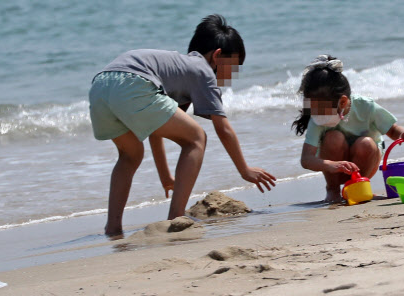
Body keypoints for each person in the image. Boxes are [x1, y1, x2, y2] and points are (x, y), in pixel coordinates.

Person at [89, 14, 276, 236]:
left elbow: (155, 131)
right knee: (197, 137)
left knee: (130, 156)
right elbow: (223, 128)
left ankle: (113, 228)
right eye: (232, 67)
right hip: (134, 82)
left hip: (100, 86)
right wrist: (244, 170)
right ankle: (177, 215)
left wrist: (166, 177)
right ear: (217, 56)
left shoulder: (179, 71)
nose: (231, 76)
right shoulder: (203, 71)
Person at [292, 55, 404, 203]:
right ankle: (333, 190)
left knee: (365, 143)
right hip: (335, 172)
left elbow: (392, 130)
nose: (316, 115)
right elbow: (306, 159)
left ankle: (360, 187)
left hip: (366, 162)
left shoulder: (366, 106)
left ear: (343, 102)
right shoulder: (317, 120)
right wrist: (332, 165)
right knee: (333, 137)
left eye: (321, 110)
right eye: (312, 109)